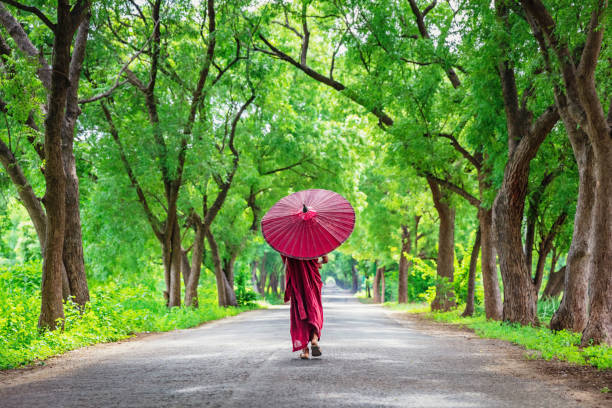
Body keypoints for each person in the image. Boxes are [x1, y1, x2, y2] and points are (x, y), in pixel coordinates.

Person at [281, 254, 328, 359]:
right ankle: (314, 340)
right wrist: (318, 264)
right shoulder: (315, 240)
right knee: (314, 309)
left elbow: (287, 265)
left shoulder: (289, 244)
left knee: (300, 313)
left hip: (297, 282)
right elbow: (325, 259)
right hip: (313, 281)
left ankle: (305, 350)